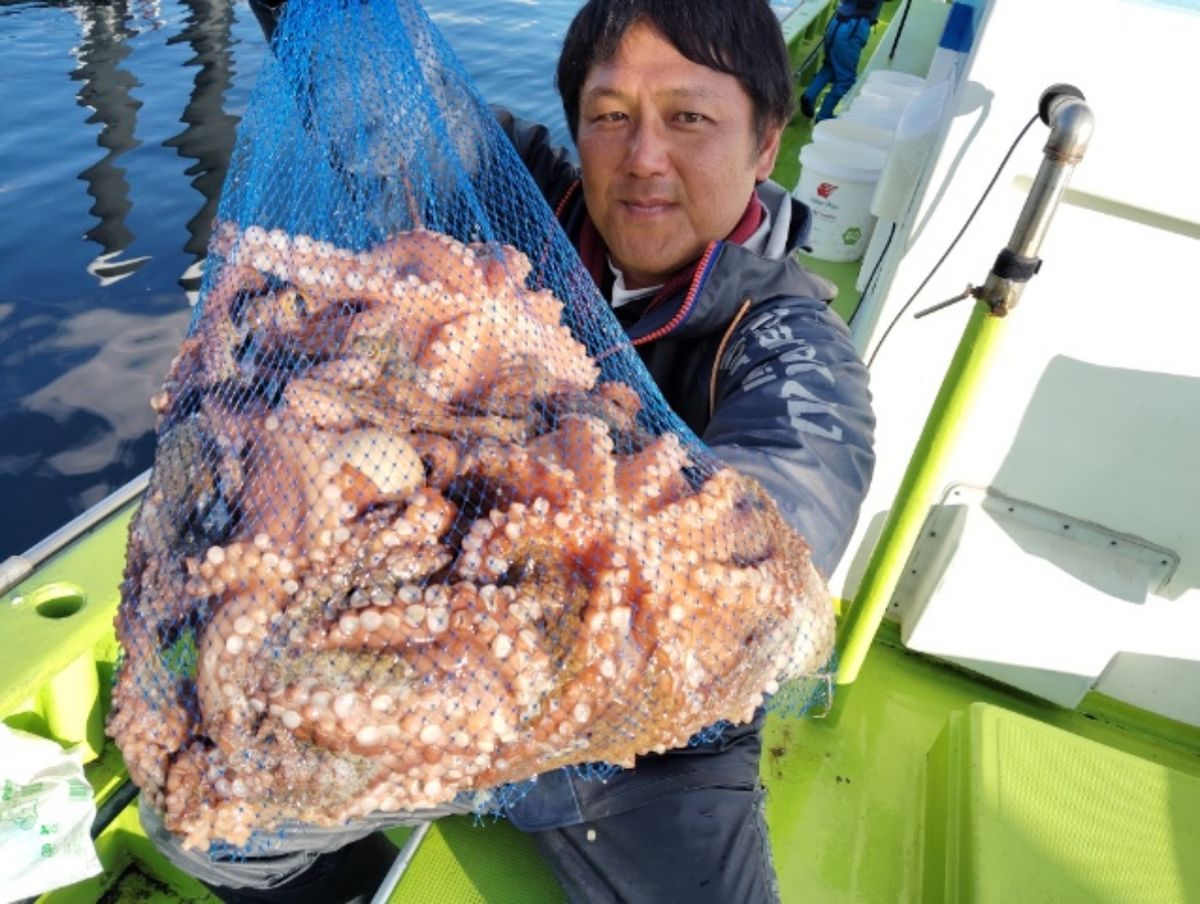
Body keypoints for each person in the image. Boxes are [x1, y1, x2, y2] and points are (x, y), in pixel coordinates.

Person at [152, 0, 876, 901]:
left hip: (650, 728)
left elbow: (768, 550)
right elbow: (381, 111)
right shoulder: (517, 200)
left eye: (690, 117)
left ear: (766, 144)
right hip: (416, 656)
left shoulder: (791, 353)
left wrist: (565, 600)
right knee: (214, 823)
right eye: (611, 116)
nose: (645, 157)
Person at [799, 0, 888, 122]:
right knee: (846, 78)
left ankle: (810, 95)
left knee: (829, 66)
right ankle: (824, 115)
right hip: (852, 29)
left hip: (837, 22)